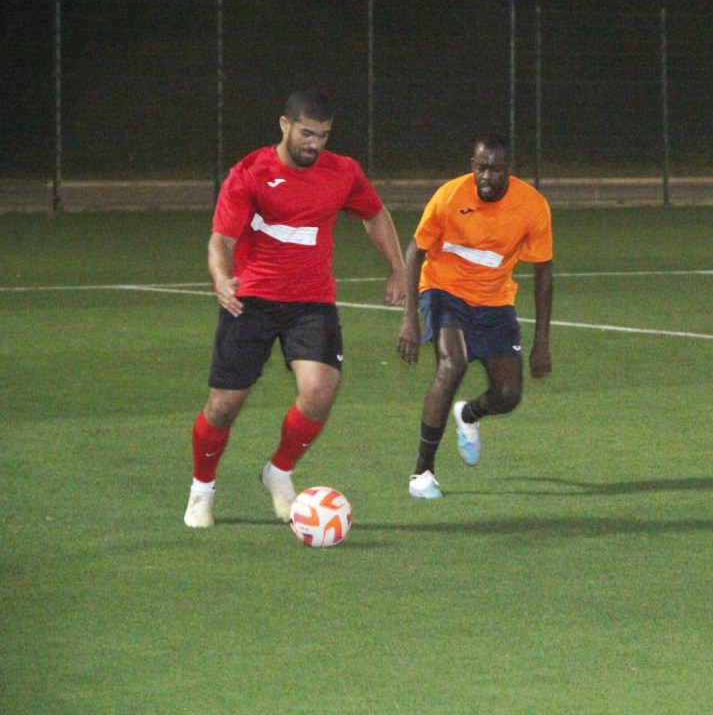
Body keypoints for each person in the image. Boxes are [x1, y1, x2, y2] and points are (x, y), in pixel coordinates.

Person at [183, 88, 406, 528]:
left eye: (323, 135)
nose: (314, 144)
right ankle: (202, 488)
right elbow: (221, 240)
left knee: (321, 391)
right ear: (284, 125)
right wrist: (221, 278)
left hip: (311, 300)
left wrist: (398, 268)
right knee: (223, 406)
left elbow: (374, 213)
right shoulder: (249, 173)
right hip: (251, 299)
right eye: (306, 133)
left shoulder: (341, 172)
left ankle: (278, 473)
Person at [396, 135, 554, 499]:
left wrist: (542, 342)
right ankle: (422, 472)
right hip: (443, 290)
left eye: (495, 169)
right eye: (481, 167)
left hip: (495, 301)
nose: (486, 176)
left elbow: (544, 273)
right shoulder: (449, 196)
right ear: (473, 165)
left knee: (509, 393)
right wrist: (410, 317)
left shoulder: (532, 206)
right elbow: (415, 250)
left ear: (508, 171)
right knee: (453, 365)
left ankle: (467, 415)